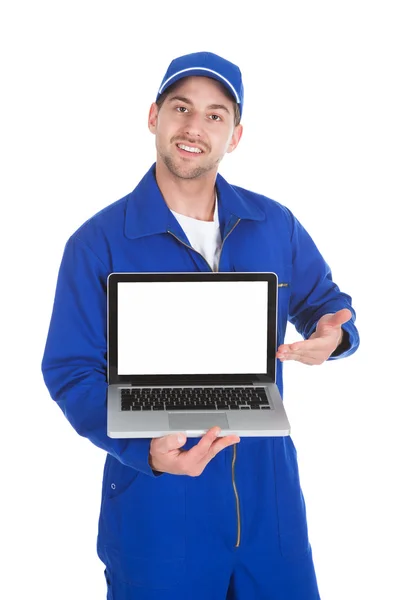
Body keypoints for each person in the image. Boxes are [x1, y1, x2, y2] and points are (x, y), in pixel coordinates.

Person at [41, 51, 360, 599]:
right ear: (153, 116)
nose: (195, 127)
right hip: (159, 507)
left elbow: (326, 304)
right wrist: (144, 447)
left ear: (235, 135)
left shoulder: (274, 224)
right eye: (181, 107)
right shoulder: (97, 242)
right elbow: (70, 370)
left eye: (215, 115)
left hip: (270, 504)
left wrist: (333, 337)